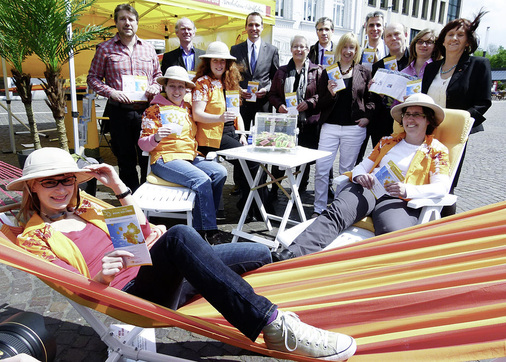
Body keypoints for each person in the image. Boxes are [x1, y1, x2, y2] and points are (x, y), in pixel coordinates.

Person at [7, 147, 357, 361]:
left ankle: (299, 275)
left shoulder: (90, 208)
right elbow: (75, 288)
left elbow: (142, 234)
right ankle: (273, 326)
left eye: (66, 180)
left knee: (260, 252)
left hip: (162, 272)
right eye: (49, 182)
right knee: (179, 237)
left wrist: (117, 187)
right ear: (31, 188)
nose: (61, 189)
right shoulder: (35, 237)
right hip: (129, 297)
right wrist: (102, 277)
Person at [276, 94, 450, 259]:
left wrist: (406, 190)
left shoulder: (437, 150)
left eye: (417, 115)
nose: (410, 119)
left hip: (399, 199)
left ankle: (375, 278)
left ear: (428, 119)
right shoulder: (387, 141)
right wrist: (360, 177)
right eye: (407, 114)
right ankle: (292, 254)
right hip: (369, 189)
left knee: (393, 232)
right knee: (336, 213)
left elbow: (441, 187)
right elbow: (361, 167)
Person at [137, 66, 227, 244]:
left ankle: (205, 218)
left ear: (186, 89)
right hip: (165, 158)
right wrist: (155, 137)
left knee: (220, 172)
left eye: (181, 87)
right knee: (202, 180)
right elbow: (142, 143)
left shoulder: (187, 108)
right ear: (165, 87)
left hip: (190, 156)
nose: (176, 91)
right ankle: (205, 231)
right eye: (172, 86)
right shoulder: (154, 110)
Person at [422, 10, 492, 215]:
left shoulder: (479, 65)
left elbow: (483, 102)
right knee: (424, 174)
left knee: (446, 178)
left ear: (468, 41)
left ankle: (446, 221)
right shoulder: (431, 68)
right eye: (450, 34)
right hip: (428, 130)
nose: (454, 38)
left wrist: (460, 122)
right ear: (443, 40)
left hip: (454, 134)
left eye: (460, 35)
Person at [87, 4, 162, 192]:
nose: (127, 23)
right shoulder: (104, 48)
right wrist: (110, 92)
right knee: (125, 158)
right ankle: (131, 199)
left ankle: (149, 194)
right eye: (123, 19)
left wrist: (155, 86)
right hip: (119, 112)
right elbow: (92, 77)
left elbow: (158, 75)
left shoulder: (149, 48)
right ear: (116, 22)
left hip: (146, 112)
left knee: (147, 155)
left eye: (131, 19)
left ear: (137, 23)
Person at [192, 41, 263, 218]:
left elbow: (236, 113)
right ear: (208, 63)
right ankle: (251, 207)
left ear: (227, 64)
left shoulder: (230, 82)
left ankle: (251, 207)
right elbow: (197, 114)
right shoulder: (202, 84)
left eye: (222, 61)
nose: (219, 64)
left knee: (251, 161)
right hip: (211, 136)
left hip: (230, 132)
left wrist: (243, 134)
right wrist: (219, 118)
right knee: (251, 162)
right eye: (215, 61)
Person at [312, 33, 374, 218]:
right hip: (330, 127)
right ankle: (319, 208)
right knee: (322, 169)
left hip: (353, 129)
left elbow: (371, 100)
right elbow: (320, 101)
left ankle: (338, 209)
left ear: (356, 51)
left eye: (352, 48)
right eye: (345, 47)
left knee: (346, 171)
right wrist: (330, 94)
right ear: (339, 49)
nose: (348, 51)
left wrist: (367, 117)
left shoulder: (363, 72)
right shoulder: (329, 71)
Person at [268, 35, 322, 200]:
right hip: (286, 122)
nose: (299, 50)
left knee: (303, 158)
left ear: (307, 50)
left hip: (308, 123)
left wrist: (310, 102)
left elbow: (323, 95)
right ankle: (274, 188)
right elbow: (273, 94)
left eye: (302, 47)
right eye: (296, 46)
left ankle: (300, 188)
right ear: (291, 49)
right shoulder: (282, 71)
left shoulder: (317, 71)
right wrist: (279, 106)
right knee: (280, 157)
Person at [356, 22, 410, 164]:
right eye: (389, 36)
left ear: (405, 35)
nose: (393, 38)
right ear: (384, 40)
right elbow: (372, 98)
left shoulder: (415, 61)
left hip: (409, 122)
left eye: (397, 34)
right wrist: (374, 91)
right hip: (382, 123)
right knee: (381, 161)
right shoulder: (378, 66)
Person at [230, 12, 279, 130]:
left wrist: (266, 89)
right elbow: (230, 76)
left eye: (257, 25)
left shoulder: (272, 50)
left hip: (263, 104)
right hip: (242, 104)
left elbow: (276, 79)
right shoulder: (235, 49)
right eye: (250, 25)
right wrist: (239, 90)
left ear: (262, 27)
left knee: (263, 139)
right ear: (246, 27)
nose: (254, 28)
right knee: (241, 139)